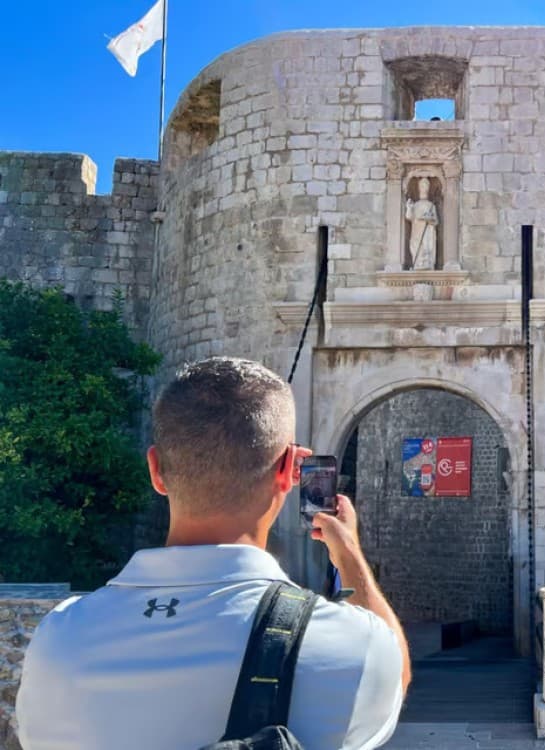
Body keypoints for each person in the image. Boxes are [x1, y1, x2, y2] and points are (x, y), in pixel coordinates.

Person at [16, 357, 410, 749]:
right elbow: (394, 673)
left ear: (156, 469)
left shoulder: (58, 641)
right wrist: (349, 555)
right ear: (290, 469)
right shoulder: (352, 647)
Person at [405, 176, 438, 270]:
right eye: (422, 186)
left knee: (427, 247)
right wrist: (409, 208)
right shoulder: (415, 205)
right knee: (417, 247)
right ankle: (417, 264)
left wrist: (429, 219)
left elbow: (436, 221)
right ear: (419, 188)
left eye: (426, 186)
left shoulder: (431, 205)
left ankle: (428, 264)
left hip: (428, 232)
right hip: (417, 231)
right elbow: (409, 217)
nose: (424, 188)